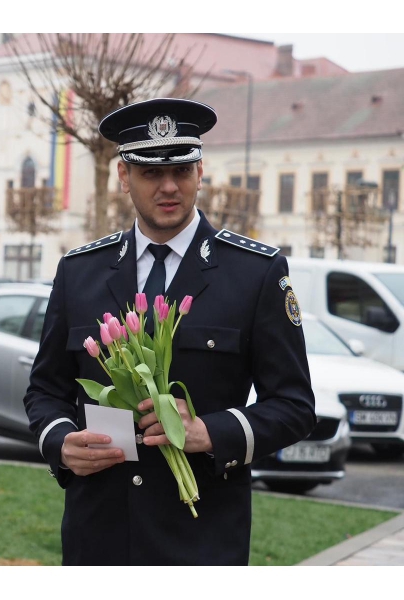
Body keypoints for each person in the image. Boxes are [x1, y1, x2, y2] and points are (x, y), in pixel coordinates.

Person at [23, 98, 316, 566]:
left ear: (200, 172)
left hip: (201, 540)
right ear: (124, 177)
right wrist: (60, 442)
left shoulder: (254, 272)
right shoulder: (80, 271)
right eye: (150, 173)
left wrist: (209, 432)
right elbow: (45, 389)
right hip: (99, 536)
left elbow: (294, 406)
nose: (168, 187)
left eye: (181, 171)